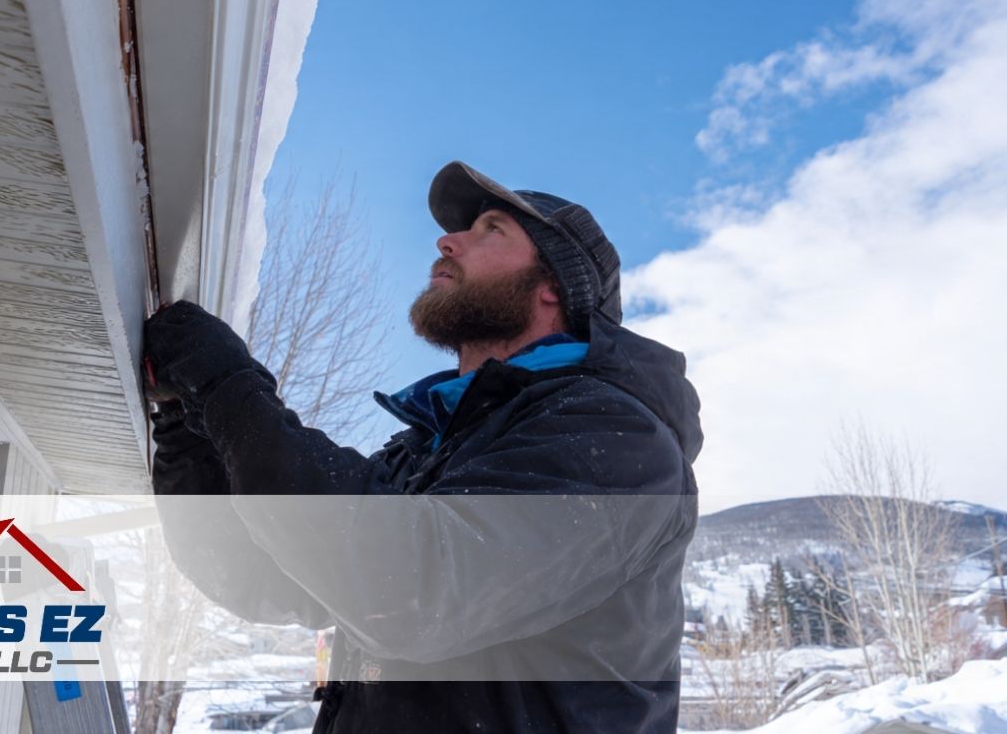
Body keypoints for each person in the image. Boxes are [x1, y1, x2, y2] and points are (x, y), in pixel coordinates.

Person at [143, 161, 702, 733]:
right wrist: (186, 421)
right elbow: (256, 578)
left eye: (491, 230)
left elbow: (411, 590)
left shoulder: (613, 438)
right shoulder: (428, 451)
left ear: (555, 287)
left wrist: (230, 388)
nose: (447, 241)